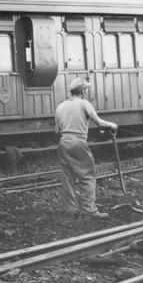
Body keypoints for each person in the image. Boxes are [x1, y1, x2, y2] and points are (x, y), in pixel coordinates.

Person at [54, 77, 117, 219]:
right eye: (87, 88)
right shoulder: (84, 104)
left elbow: (56, 131)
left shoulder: (61, 106)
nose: (87, 91)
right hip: (78, 143)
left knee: (67, 177)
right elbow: (100, 123)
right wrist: (112, 125)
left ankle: (70, 209)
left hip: (63, 143)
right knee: (87, 176)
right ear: (83, 90)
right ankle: (90, 209)